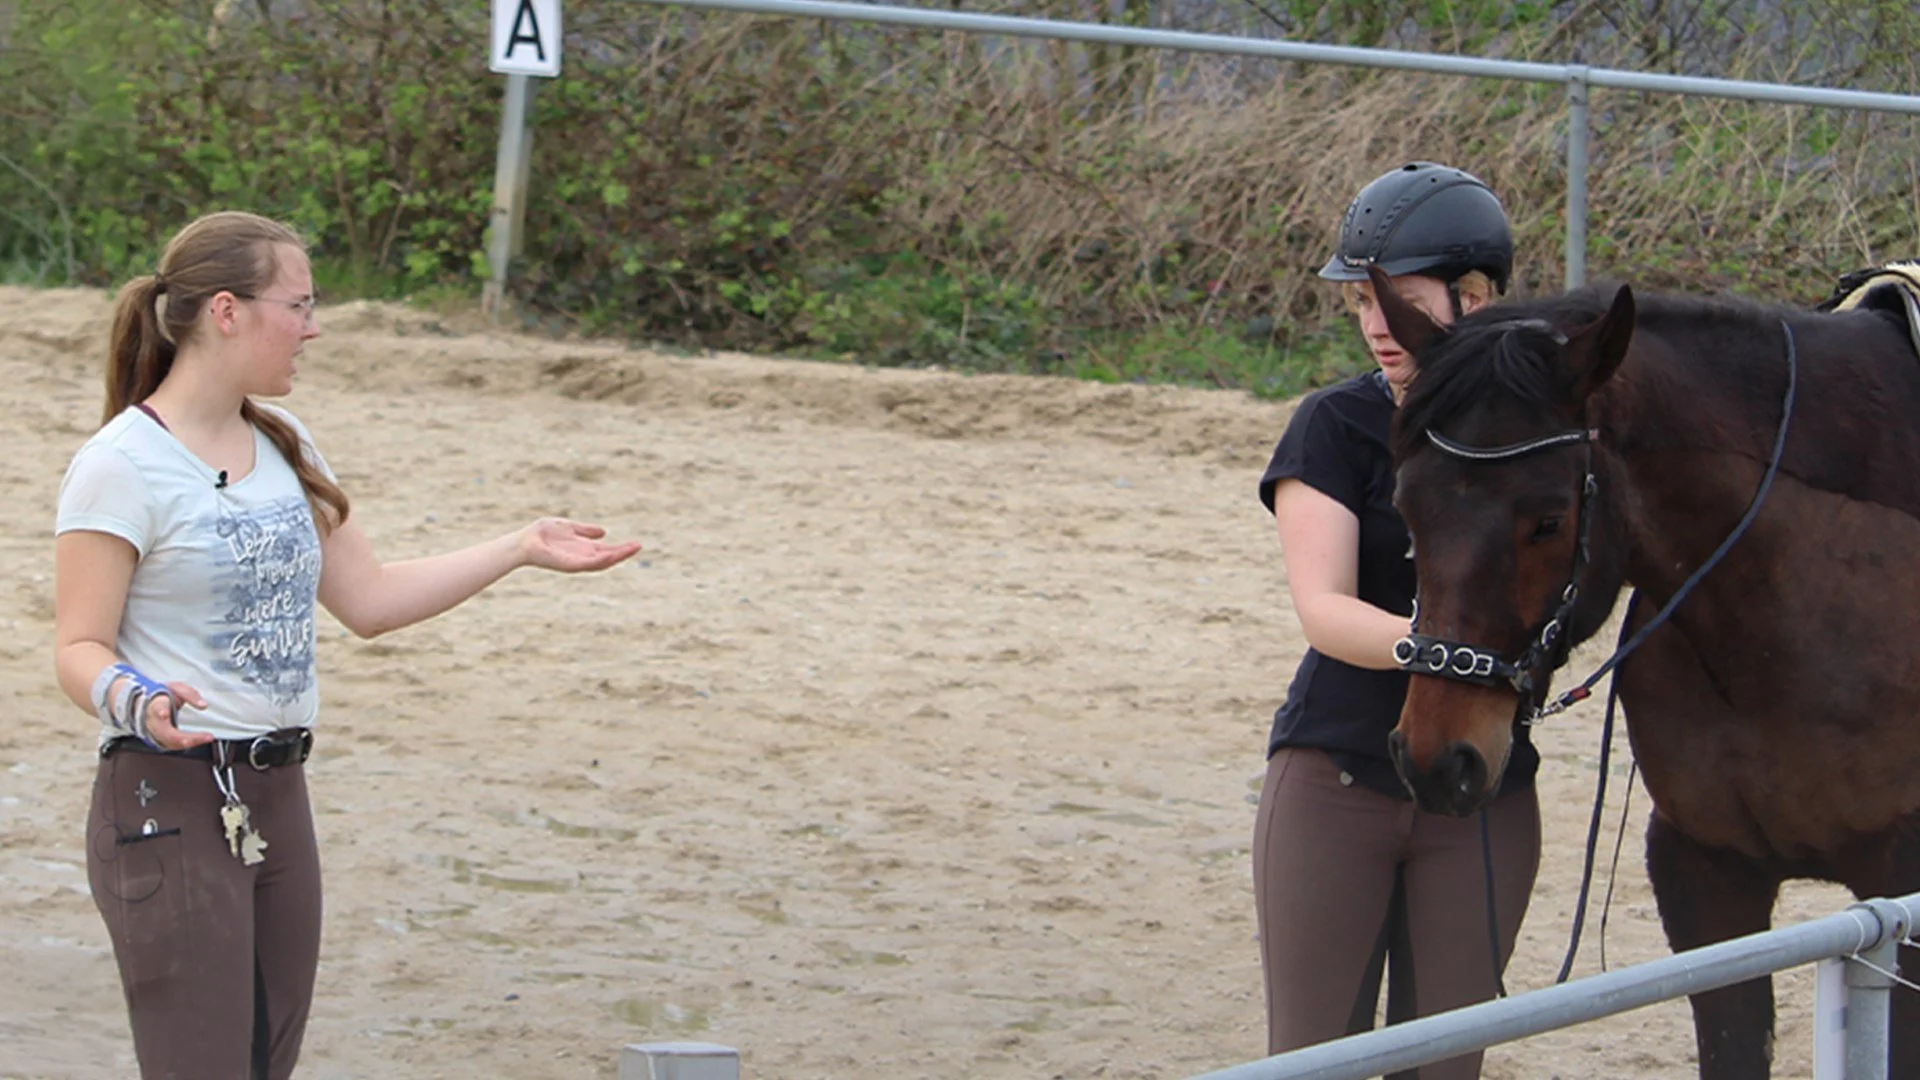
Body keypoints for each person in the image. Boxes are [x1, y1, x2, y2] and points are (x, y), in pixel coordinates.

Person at [52, 210, 642, 1079]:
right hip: (166, 801)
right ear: (226, 311)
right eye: (298, 304)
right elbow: (78, 646)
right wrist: (138, 699)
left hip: (280, 799)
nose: (314, 327)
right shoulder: (121, 464)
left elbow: (367, 600)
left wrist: (517, 549)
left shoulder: (287, 446)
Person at [1251, 163, 1542, 1077]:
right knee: (1310, 1061)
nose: (1378, 325)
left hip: (1484, 797)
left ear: (1476, 296)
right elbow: (1325, 609)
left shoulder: (1540, 442)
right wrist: (1447, 650)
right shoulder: (1334, 425)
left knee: (1448, 1066)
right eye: (1362, 302)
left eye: (1400, 300)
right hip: (1335, 779)